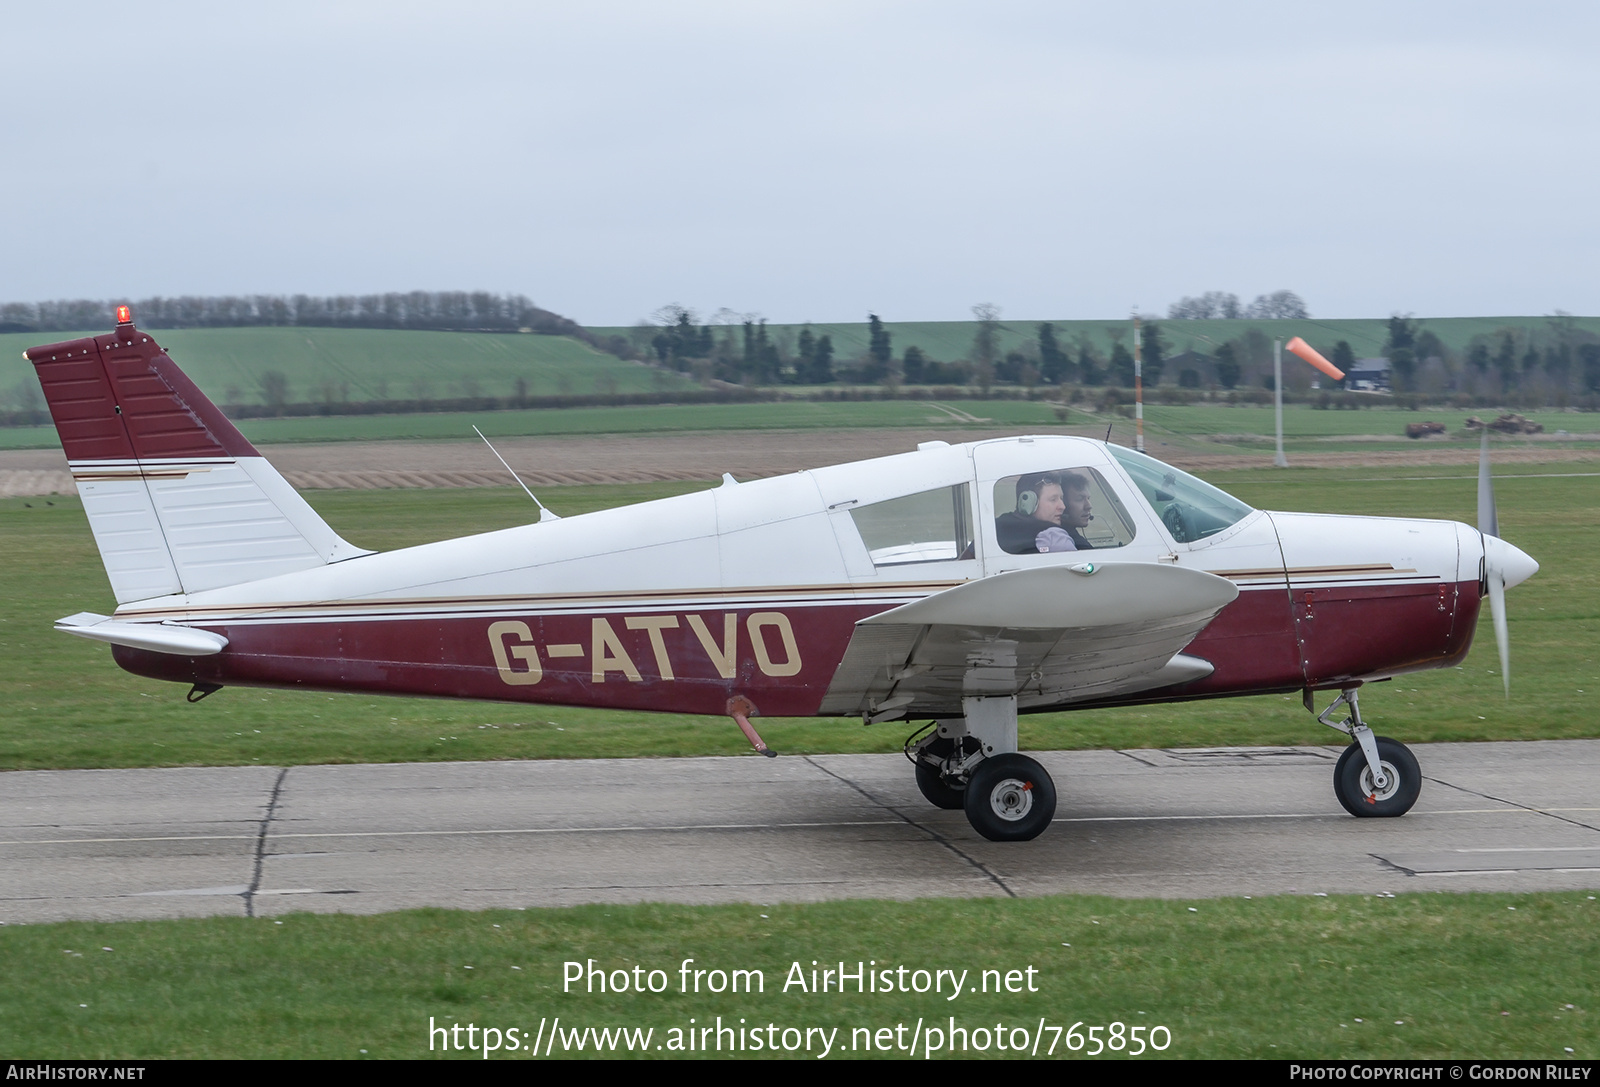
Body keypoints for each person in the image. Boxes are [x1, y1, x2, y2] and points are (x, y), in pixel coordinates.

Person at [995, 473, 1065, 554]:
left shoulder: (995, 528)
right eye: (1053, 499)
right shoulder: (1054, 536)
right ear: (1029, 502)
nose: (1062, 506)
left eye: (1061, 498)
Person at [1035, 470, 1094, 553]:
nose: (1089, 506)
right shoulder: (1056, 539)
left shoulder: (1072, 537)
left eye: (1088, 499)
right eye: (1080, 499)